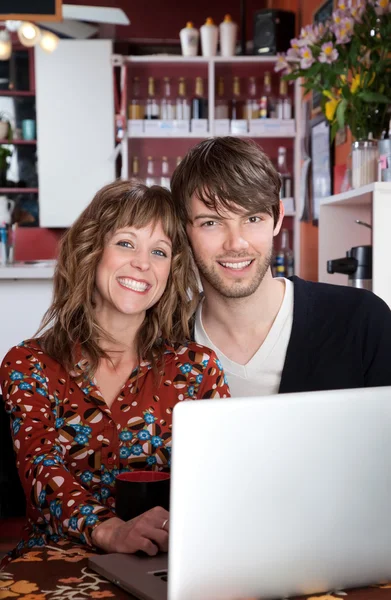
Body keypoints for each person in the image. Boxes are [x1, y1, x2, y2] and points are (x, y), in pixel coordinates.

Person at [0, 179, 229, 566]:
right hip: (57, 566)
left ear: (170, 272)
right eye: (126, 243)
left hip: (167, 565)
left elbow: (223, 477)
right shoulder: (28, 364)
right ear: (92, 251)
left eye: (159, 251)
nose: (142, 262)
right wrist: (111, 530)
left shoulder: (198, 369)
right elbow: (42, 473)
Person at [170, 136, 391, 396]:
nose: (236, 243)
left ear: (277, 218)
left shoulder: (361, 322)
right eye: (211, 223)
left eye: (252, 218)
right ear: (184, 230)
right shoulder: (164, 343)